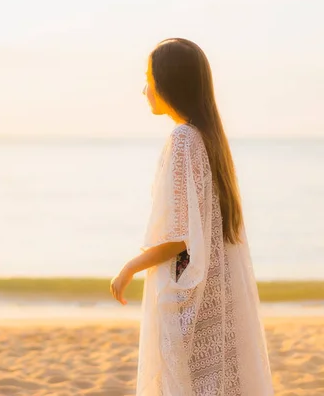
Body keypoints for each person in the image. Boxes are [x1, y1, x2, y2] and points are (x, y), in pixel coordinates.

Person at [110, 38, 274, 395]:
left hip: (188, 297)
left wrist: (129, 267)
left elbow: (180, 235)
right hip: (213, 294)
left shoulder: (184, 139)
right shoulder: (208, 137)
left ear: (170, 81)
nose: (144, 90)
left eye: (149, 78)